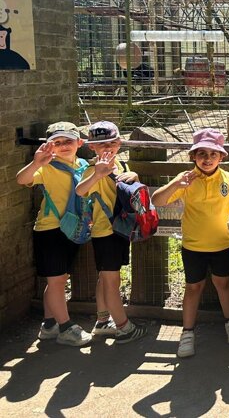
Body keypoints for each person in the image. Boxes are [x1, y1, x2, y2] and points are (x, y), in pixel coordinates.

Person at [151, 128, 229, 358]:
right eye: (202, 153)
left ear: (221, 156)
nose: (207, 159)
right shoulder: (186, 179)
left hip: (223, 244)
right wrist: (176, 185)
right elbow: (157, 200)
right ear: (193, 156)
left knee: (224, 283)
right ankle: (187, 332)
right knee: (193, 288)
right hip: (193, 246)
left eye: (213, 154)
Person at [15, 122, 92, 346]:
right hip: (50, 230)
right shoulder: (46, 167)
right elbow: (21, 179)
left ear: (79, 142)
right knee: (57, 280)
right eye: (57, 142)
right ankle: (66, 328)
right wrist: (36, 162)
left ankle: (49, 325)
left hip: (73, 228)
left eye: (68, 141)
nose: (63, 145)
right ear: (49, 146)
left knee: (58, 279)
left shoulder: (83, 166)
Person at [74, 121, 146, 343]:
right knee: (111, 282)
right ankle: (124, 327)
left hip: (118, 230)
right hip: (105, 233)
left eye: (111, 142)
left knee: (105, 278)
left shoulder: (121, 165)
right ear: (92, 147)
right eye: (101, 144)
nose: (107, 147)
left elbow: (125, 186)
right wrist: (97, 175)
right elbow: (80, 191)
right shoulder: (91, 170)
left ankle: (103, 321)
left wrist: (133, 175)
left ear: (119, 143)